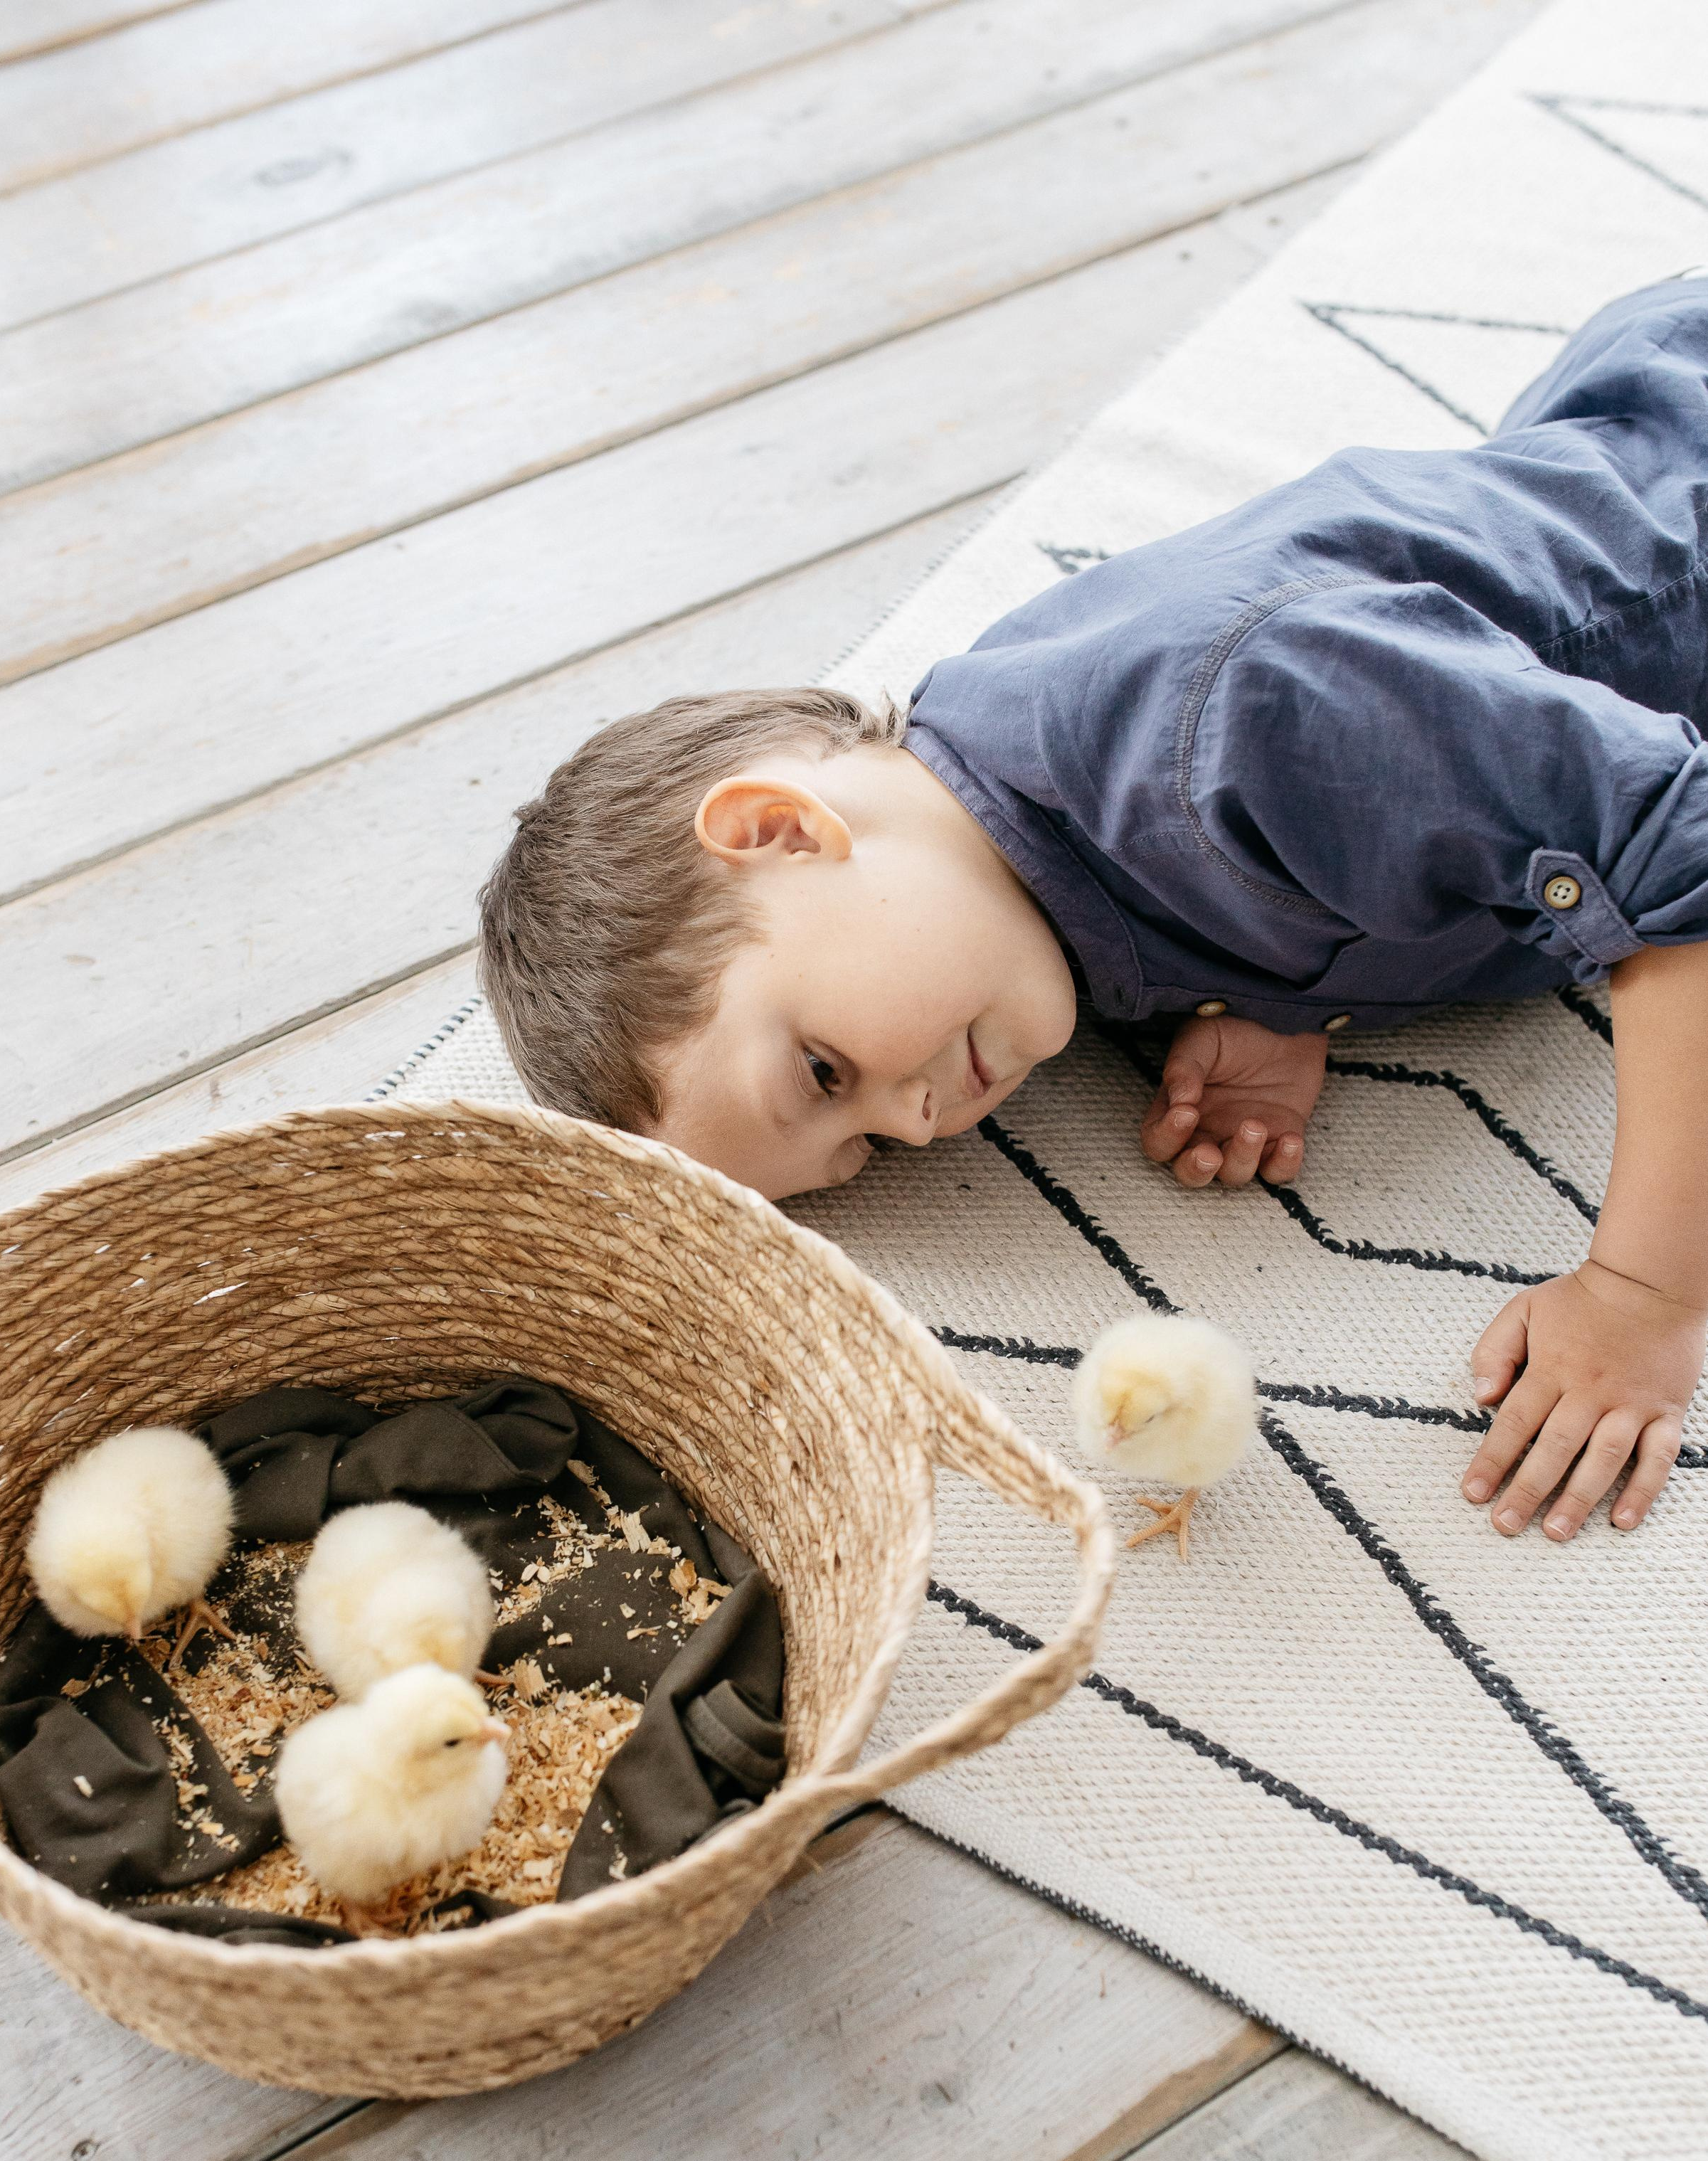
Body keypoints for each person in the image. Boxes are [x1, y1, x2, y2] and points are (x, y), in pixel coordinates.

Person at [479, 275, 1708, 1547]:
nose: (918, 1118)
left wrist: (1644, 1290)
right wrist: (1290, 995)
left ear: (783, 831)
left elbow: (1681, 865)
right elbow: (1384, 808)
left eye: (825, 1069)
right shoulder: (1006, 878)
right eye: (871, 1151)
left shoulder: (1230, 719)